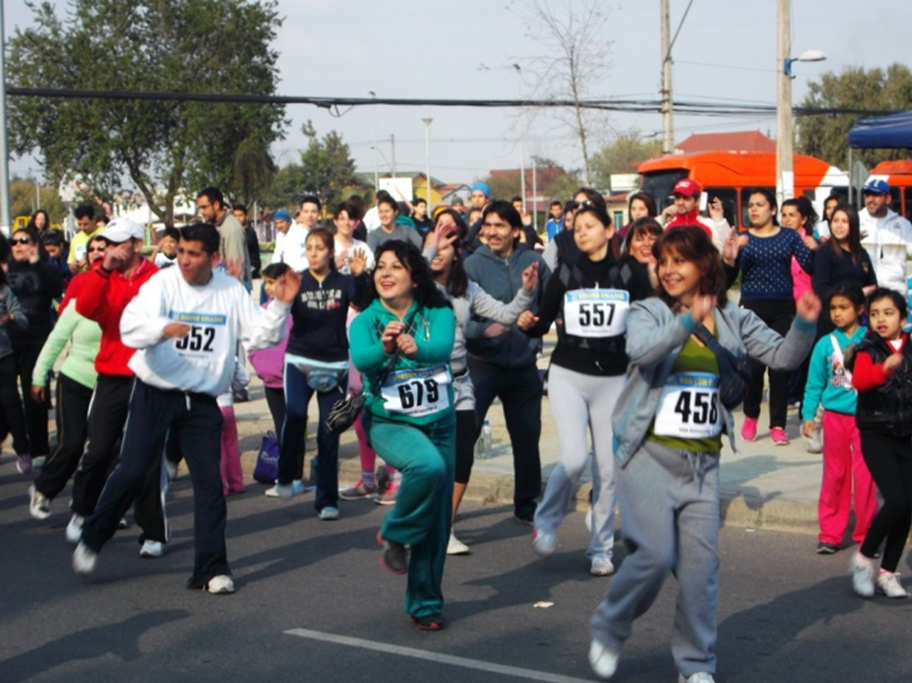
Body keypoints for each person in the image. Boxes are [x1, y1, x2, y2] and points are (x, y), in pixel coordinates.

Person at [588, 226, 820, 683]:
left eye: (680, 261)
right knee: (653, 555)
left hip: (702, 464)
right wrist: (687, 322)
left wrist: (805, 323)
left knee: (700, 572)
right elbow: (641, 350)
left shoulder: (733, 317)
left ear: (704, 265)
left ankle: (695, 665)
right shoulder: (647, 311)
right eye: (663, 261)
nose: (669, 270)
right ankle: (610, 626)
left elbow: (782, 357)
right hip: (647, 456)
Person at [72, 222, 299, 593]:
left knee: (210, 485)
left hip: (202, 400)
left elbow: (259, 335)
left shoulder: (230, 290)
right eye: (181, 252)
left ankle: (211, 569)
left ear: (214, 258)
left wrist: (281, 304)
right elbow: (130, 327)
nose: (185, 261)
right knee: (131, 472)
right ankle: (93, 538)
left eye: (194, 255)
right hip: (154, 392)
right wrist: (161, 328)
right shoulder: (162, 284)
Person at [518, 205, 652, 576]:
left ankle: (601, 549)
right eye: (577, 228)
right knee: (576, 458)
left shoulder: (630, 273)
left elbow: (650, 321)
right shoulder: (566, 272)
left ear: (610, 230)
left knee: (608, 469)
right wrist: (528, 322)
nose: (581, 233)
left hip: (614, 379)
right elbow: (541, 320)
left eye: (590, 226)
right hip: (568, 374)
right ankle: (546, 520)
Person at [349, 239, 456, 630]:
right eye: (381, 266)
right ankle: (394, 534)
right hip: (389, 423)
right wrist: (385, 346)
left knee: (438, 522)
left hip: (441, 422)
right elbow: (361, 360)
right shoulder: (365, 320)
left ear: (415, 275)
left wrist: (417, 348)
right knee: (426, 467)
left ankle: (424, 605)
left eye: (396, 266)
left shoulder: (438, 311)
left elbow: (441, 348)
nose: (386, 273)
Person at [422, 210, 537, 554]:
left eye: (448, 246)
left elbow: (504, 312)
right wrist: (431, 245)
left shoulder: (466, 288)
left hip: (459, 383)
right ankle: (418, 520)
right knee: (429, 461)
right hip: (424, 384)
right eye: (435, 246)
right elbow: (412, 271)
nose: (441, 251)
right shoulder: (418, 288)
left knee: (462, 458)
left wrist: (527, 292)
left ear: (458, 253)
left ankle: (444, 528)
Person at [69, 218, 165, 556]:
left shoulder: (157, 279)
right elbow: (86, 308)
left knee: (146, 458)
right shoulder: (102, 276)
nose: (110, 249)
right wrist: (103, 270)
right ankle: (83, 509)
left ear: (137, 244)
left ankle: (153, 532)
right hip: (111, 374)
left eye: (118, 243)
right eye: (106, 243)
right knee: (98, 451)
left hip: (147, 376)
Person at [464, 200, 550, 524]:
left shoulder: (535, 262)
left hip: (524, 365)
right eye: (488, 225)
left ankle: (527, 506)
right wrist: (484, 331)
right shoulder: (472, 266)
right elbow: (459, 319)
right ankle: (447, 504)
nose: (492, 232)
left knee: (527, 438)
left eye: (500, 225)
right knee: (464, 437)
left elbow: (551, 304)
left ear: (516, 230)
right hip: (481, 366)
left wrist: (538, 324)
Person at [275, 229, 368, 519]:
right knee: (296, 415)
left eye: (319, 248)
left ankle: (327, 499)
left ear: (330, 252)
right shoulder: (297, 280)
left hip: (334, 365)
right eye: (309, 248)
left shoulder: (343, 281)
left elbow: (363, 302)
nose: (314, 252)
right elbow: (278, 309)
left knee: (330, 429)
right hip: (299, 361)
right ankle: (288, 475)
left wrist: (361, 276)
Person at [726, 188, 815, 445]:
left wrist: (816, 247)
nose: (753, 209)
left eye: (760, 204)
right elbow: (728, 278)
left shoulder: (788, 236)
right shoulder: (743, 237)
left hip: (782, 309)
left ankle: (778, 425)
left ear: (772, 210)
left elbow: (809, 265)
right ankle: (751, 414)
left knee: (780, 367)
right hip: (752, 309)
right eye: (751, 205)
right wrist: (730, 257)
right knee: (753, 367)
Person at [28, 240, 104, 520]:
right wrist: (39, 377)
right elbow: (56, 340)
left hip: (108, 385)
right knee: (71, 443)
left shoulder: (124, 306)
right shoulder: (78, 304)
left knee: (102, 450)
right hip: (74, 378)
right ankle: (43, 489)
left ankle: (86, 506)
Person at [800, 283, 876, 555]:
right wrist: (809, 415)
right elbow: (814, 384)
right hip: (835, 420)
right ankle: (830, 533)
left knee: (866, 477)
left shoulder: (872, 339)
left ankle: (867, 535)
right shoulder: (825, 344)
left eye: (844, 308)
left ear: (859, 309)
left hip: (867, 420)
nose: (837, 313)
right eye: (833, 308)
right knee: (834, 475)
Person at [847, 287, 912, 599]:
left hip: (907, 434)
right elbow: (860, 381)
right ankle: (863, 558)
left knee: (908, 505)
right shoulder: (867, 348)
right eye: (874, 314)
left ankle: (888, 573)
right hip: (876, 432)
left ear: (903, 317)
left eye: (888, 313)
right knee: (896, 500)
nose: (881, 319)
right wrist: (882, 371)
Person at [6, 227, 65, 473]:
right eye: (15, 241)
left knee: (35, 395)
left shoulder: (45, 267)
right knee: (7, 398)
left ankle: (39, 447)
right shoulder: (5, 268)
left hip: (37, 340)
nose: (19, 245)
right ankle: (20, 441)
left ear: (35, 244)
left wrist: (37, 263)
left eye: (24, 241)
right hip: (8, 342)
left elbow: (56, 290)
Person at [812, 203, 877, 335]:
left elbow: (872, 285)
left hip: (859, 322)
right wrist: (855, 295)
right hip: (832, 322)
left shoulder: (861, 253)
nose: (839, 226)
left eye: (844, 221)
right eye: (835, 221)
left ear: (853, 225)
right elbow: (822, 289)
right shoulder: (825, 252)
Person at [857, 178, 912, 296]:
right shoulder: (855, 221)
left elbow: (911, 262)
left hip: (896, 294)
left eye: (875, 195)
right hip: (864, 295)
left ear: (887, 199)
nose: (870, 199)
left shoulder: (903, 225)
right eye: (867, 195)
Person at [0, 264, 30, 474]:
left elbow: (22, 320)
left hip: (3, 356)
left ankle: (22, 448)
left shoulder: (4, 292)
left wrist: (10, 317)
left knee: (11, 404)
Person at [196, 187, 251, 288]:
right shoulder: (217, 226)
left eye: (204, 207)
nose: (201, 212)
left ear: (216, 205)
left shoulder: (230, 228)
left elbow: (235, 267)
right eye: (199, 208)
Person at [662, 179, 731, 251]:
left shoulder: (709, 224)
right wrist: (661, 219)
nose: (680, 203)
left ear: (697, 201)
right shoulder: (667, 227)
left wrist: (718, 219)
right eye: (677, 198)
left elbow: (725, 251)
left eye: (686, 198)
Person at [333, 201, 375, 275]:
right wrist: (335, 268)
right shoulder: (327, 246)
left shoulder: (363, 247)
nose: (346, 223)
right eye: (342, 219)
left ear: (356, 222)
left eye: (350, 219)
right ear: (335, 221)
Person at [622, 217, 663, 288]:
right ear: (630, 247)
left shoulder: (670, 270)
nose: (646, 244)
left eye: (652, 239)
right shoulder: (622, 272)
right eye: (639, 239)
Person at [270, 207, 309, 273]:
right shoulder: (280, 235)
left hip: (302, 271)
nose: (279, 225)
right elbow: (277, 254)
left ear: (288, 222)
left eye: (281, 222)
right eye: (276, 223)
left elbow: (304, 255)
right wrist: (274, 269)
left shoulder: (302, 233)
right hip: (288, 272)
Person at [67, 205, 102, 274]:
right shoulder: (76, 239)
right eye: (79, 224)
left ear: (94, 220)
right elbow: (70, 263)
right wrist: (73, 267)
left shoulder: (105, 234)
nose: (82, 228)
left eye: (86, 224)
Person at [232, 203, 262, 279]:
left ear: (246, 216)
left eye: (240, 215)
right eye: (235, 216)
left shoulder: (250, 232)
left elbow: (243, 244)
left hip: (251, 265)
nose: (237, 218)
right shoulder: (234, 231)